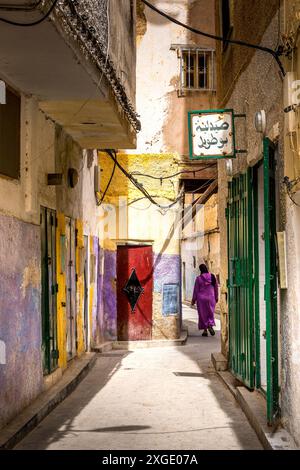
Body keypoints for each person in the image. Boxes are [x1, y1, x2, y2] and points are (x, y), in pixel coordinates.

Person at [191, 264, 218, 337]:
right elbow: (216, 288)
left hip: (201, 299)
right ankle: (210, 325)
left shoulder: (199, 278)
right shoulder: (212, 277)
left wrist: (193, 300)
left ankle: (205, 330)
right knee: (210, 313)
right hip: (211, 298)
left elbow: (196, 290)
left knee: (202, 314)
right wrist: (216, 297)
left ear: (200, 270)